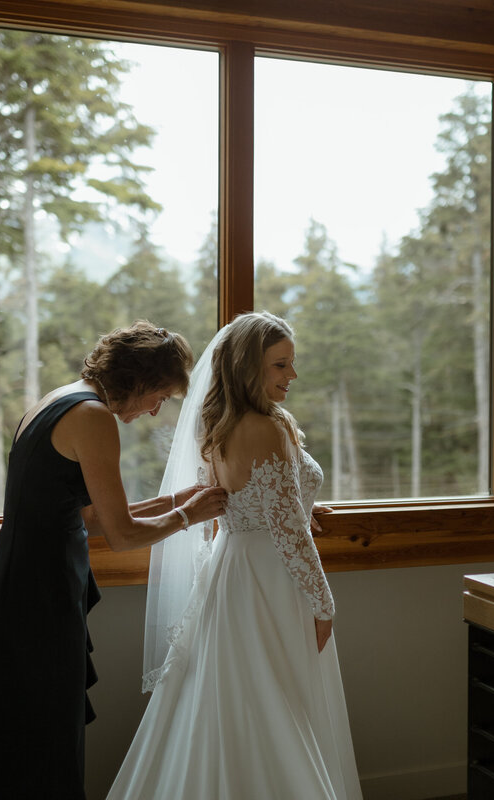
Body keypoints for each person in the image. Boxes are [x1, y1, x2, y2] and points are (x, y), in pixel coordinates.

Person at [105, 311, 362, 800]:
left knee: (230, 700)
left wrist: (303, 503)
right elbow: (290, 537)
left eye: (292, 363)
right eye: (280, 365)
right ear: (249, 367)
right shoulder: (266, 427)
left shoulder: (216, 424)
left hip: (231, 571)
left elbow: (228, 509)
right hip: (271, 577)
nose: (292, 375)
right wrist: (323, 604)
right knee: (275, 701)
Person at [0, 320, 228, 799]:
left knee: (23, 723)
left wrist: (175, 501)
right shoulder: (92, 417)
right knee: (46, 725)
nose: (155, 411)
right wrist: (189, 516)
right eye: (161, 397)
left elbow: (87, 517)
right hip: (42, 588)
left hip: (21, 578)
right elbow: (123, 535)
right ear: (142, 380)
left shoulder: (59, 399)